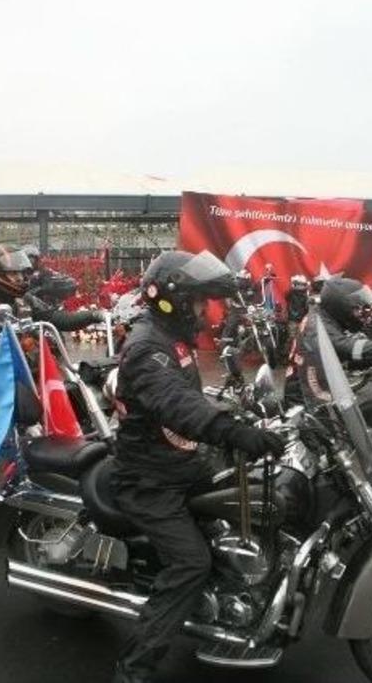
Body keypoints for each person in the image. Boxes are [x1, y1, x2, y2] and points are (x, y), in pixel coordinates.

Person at [110, 250, 285, 683]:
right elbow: (173, 402)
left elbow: (190, 395)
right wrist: (229, 431)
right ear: (174, 299)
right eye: (202, 300)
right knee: (191, 563)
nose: (209, 310)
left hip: (182, 464)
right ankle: (132, 672)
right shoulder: (146, 345)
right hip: (149, 479)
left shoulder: (173, 340)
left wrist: (244, 412)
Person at [0, 246, 101, 388]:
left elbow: (56, 318)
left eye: (22, 273)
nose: (20, 278)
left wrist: (93, 315)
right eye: (13, 274)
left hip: (29, 374)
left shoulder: (25, 299)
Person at [284, 276, 372, 406]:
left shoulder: (323, 316)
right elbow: (345, 347)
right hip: (305, 399)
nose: (360, 313)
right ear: (339, 305)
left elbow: (339, 357)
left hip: (319, 389)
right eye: (356, 308)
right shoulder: (317, 326)